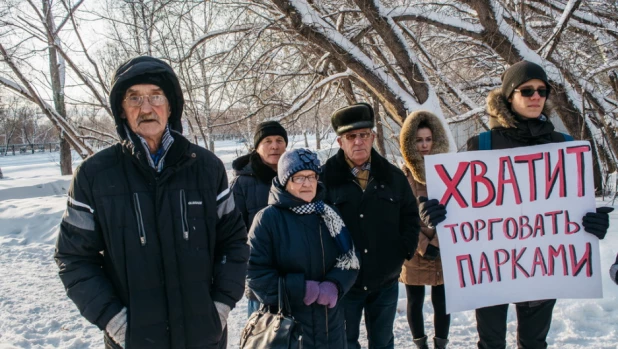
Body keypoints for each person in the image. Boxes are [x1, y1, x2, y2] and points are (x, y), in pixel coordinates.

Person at [54, 56, 249, 349]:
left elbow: (233, 243)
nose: (146, 108)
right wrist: (116, 323)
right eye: (134, 98)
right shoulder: (94, 175)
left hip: (204, 338)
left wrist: (219, 309)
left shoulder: (206, 168)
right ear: (121, 109)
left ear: (170, 106)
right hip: (134, 341)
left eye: (155, 96)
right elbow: (74, 259)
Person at [419, 60, 613, 349]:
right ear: (509, 96)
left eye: (542, 91)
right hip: (490, 270)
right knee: (491, 343)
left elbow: (573, 212)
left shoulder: (564, 147)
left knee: (534, 344)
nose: (536, 96)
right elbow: (455, 206)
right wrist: (435, 214)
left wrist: (594, 224)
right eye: (527, 90)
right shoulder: (481, 146)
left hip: (543, 267)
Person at [321, 102, 420, 349]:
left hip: (384, 280)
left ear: (373, 137)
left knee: (383, 342)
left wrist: (404, 249)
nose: (358, 142)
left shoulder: (392, 177)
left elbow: (410, 215)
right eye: (351, 136)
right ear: (340, 142)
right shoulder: (324, 180)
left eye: (364, 135)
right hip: (343, 283)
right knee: (344, 343)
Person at [247, 148, 360, 348]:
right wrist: (302, 289)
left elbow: (351, 259)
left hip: (330, 326)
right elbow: (254, 274)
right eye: (298, 178)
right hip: (287, 330)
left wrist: (335, 285)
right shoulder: (268, 220)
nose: (307, 183)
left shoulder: (329, 214)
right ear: (285, 181)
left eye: (311, 176)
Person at [399, 111, 451, 349]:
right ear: (411, 143)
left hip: (443, 248)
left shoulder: (447, 170)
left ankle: (441, 344)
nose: (424, 145)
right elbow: (401, 217)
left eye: (428, 139)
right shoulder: (402, 176)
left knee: (442, 301)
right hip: (414, 248)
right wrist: (422, 246)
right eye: (419, 140)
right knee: (415, 300)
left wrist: (438, 244)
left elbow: (454, 210)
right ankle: (420, 344)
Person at [230, 120, 288, 317]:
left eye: (279, 140)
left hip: (296, 275)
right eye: (268, 141)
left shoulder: (297, 178)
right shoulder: (242, 183)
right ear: (257, 147)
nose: (274, 146)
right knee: (263, 336)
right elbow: (233, 233)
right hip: (260, 277)